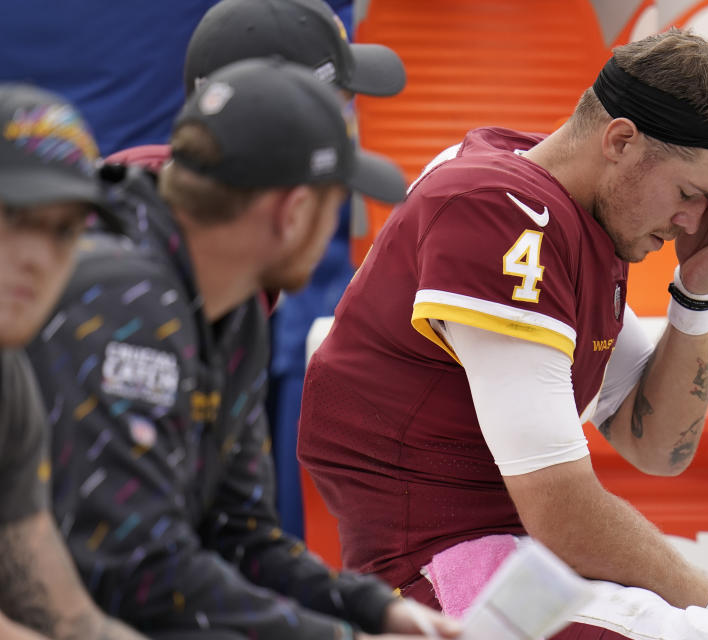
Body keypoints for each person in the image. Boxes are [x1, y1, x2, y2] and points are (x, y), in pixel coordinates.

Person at [298, 30, 708, 640]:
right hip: (449, 577)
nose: (690, 224)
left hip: (533, 565)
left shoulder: (571, 207)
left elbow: (657, 446)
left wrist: (699, 291)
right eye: (688, 194)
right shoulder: (502, 213)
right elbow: (561, 509)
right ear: (620, 140)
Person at [26, 59, 457, 640]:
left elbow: (240, 532)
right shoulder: (127, 297)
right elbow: (134, 570)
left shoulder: (229, 304)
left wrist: (374, 609)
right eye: (336, 206)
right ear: (293, 212)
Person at [103, 0, 408, 537]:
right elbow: (124, 561)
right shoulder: (125, 283)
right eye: (338, 106)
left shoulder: (231, 272)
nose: (351, 127)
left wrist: (364, 610)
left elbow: (235, 528)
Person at [0, 84, 146, 640]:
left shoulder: (10, 374)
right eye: (16, 215)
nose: (39, 258)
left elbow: (65, 614)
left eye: (63, 230)